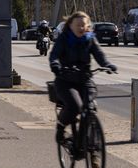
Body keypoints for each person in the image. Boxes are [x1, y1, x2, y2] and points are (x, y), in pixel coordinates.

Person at [49, 11, 117, 143]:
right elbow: (54, 55)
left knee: (90, 107)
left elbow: (99, 54)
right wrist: (55, 65)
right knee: (75, 106)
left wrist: (107, 64)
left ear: (88, 26)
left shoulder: (90, 39)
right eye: (78, 25)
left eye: (83, 25)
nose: (81, 28)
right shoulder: (64, 39)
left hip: (84, 79)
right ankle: (61, 127)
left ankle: (89, 145)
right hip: (65, 81)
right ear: (70, 26)